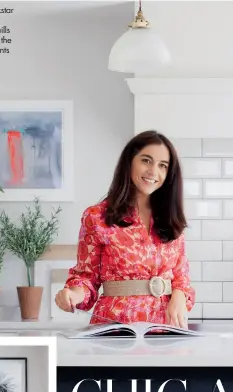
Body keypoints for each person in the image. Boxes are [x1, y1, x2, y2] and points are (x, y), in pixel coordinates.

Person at [54, 130, 195, 328]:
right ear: (129, 161)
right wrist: (73, 294)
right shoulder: (96, 217)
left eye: (163, 165)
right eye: (146, 160)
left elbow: (181, 276)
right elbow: (86, 277)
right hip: (115, 329)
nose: (154, 171)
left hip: (166, 330)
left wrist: (179, 297)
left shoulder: (171, 218)